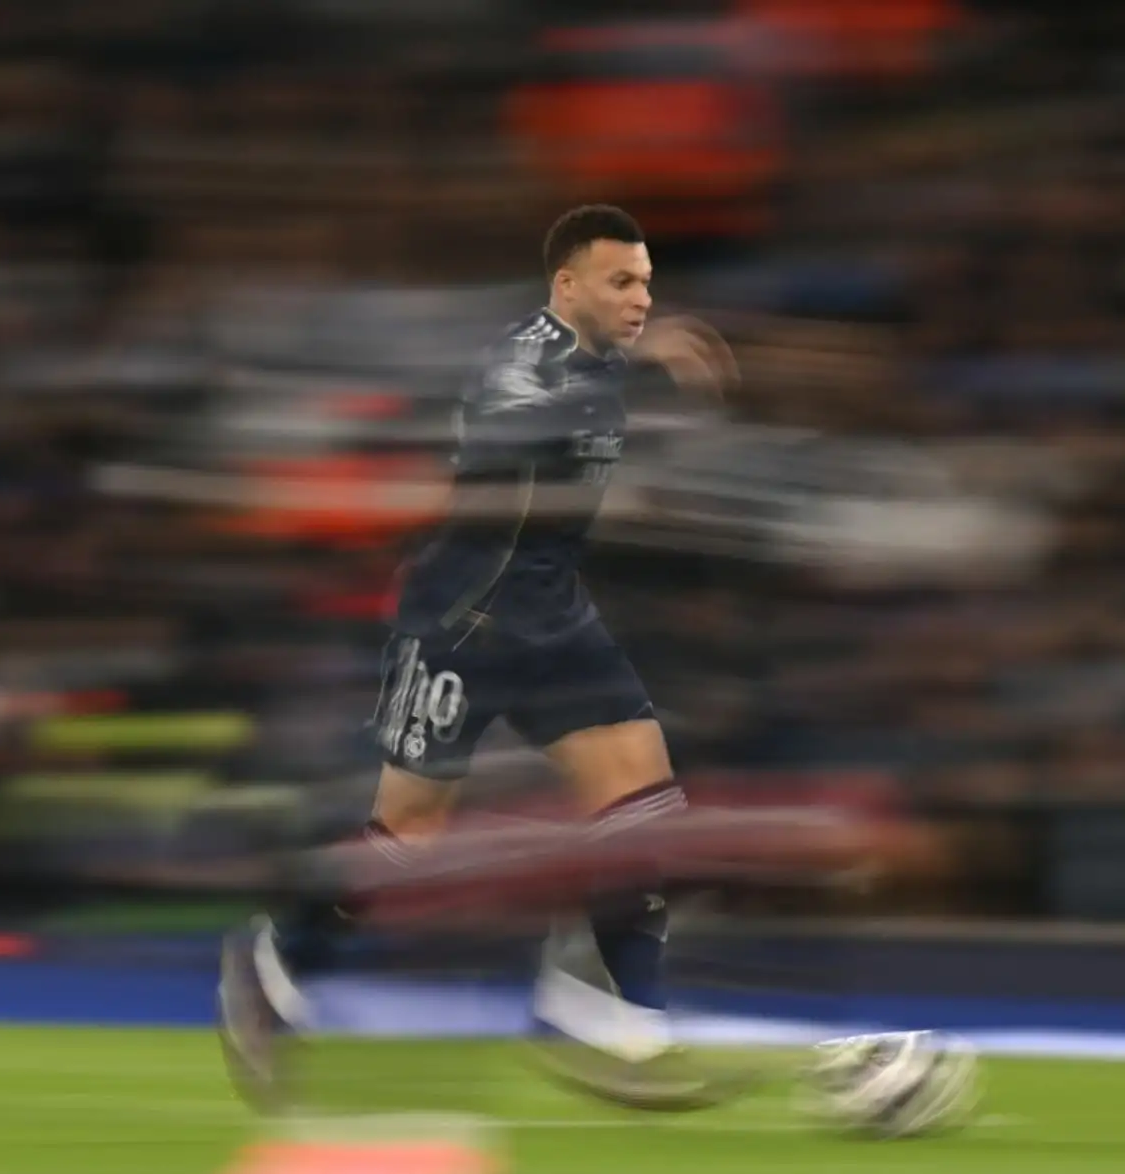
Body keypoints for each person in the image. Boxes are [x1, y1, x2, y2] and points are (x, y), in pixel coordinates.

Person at [219, 204, 740, 1110]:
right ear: (566, 284)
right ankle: (273, 961)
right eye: (622, 282)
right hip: (465, 620)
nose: (640, 300)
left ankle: (618, 1028)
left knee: (648, 812)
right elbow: (513, 431)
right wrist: (638, 369)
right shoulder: (521, 360)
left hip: (556, 615)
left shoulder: (598, 364)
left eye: (647, 283)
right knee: (406, 840)